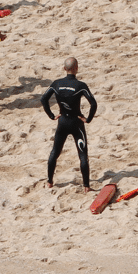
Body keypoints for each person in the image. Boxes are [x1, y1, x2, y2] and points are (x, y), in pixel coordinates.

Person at [41, 57, 97, 193]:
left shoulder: (56, 84)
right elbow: (93, 104)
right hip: (77, 123)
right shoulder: (80, 85)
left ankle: (49, 181)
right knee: (83, 155)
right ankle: (86, 186)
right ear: (77, 68)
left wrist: (52, 116)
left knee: (55, 152)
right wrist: (88, 119)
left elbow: (43, 99)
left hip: (62, 123)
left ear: (64, 68)